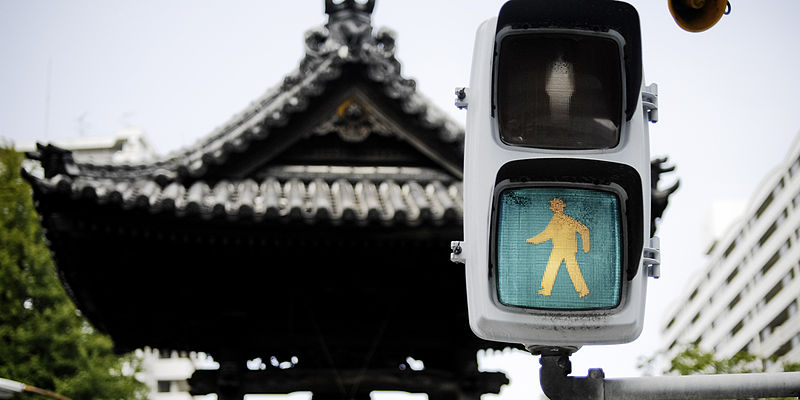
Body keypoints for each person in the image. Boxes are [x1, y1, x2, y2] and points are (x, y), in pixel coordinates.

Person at [525, 197, 591, 298]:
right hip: (559, 248)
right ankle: (547, 290)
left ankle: (583, 290)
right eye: (555, 206)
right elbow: (547, 234)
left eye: (558, 206)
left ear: (562, 207)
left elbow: (584, 230)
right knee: (553, 267)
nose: (557, 208)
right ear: (553, 208)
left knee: (570, 269)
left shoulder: (569, 220)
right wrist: (534, 240)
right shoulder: (555, 220)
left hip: (567, 249)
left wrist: (586, 246)